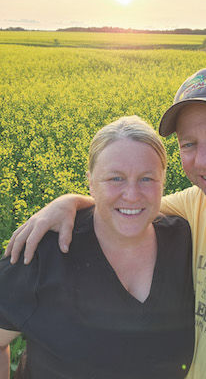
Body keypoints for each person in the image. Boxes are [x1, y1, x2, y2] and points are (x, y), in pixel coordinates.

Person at [5, 67, 206, 378]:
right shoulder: (198, 206)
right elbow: (130, 206)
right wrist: (69, 201)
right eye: (188, 144)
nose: (204, 160)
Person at [0, 116, 195, 379]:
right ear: (90, 182)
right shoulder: (44, 250)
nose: (132, 194)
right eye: (115, 178)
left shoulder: (186, 242)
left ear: (164, 181)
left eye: (147, 179)